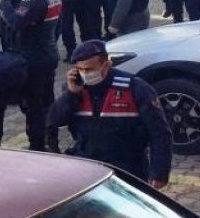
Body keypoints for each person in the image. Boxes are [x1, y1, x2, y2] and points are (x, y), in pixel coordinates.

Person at [49, 40, 173, 188]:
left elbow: (160, 133)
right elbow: (55, 121)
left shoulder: (135, 88)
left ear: (107, 65)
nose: (85, 74)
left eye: (89, 69)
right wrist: (71, 95)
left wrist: (159, 173)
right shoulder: (75, 88)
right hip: (87, 166)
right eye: (80, 69)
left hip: (127, 168)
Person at [0, 0, 60, 152]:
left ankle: (38, 146)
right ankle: (52, 140)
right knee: (47, 102)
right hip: (48, 52)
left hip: (33, 59)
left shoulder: (34, 0)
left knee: (34, 107)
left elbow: (16, 21)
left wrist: (4, 3)